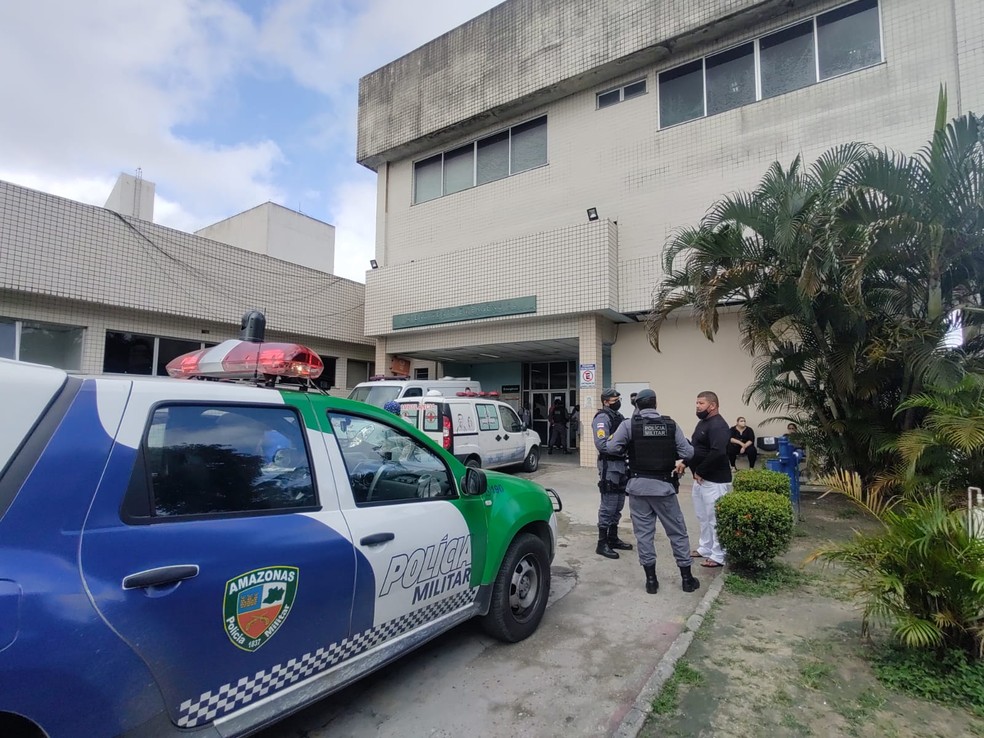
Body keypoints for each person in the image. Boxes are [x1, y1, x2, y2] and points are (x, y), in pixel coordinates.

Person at [606, 388, 700, 594]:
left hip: (638, 488)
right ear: (656, 404)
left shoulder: (628, 425)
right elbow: (688, 452)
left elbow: (611, 448)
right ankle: (686, 579)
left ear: (637, 406)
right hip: (664, 488)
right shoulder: (670, 425)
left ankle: (651, 581)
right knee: (677, 532)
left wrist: (627, 448)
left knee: (644, 535)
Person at [679, 391, 732, 568]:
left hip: (715, 481)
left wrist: (700, 470)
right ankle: (705, 547)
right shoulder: (703, 423)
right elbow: (696, 448)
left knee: (714, 518)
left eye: (701, 403)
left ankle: (719, 555)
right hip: (700, 480)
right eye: (696, 403)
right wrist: (685, 463)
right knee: (703, 516)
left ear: (712, 405)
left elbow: (718, 452)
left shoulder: (719, 426)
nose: (697, 406)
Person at [592, 390, 633, 559]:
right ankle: (602, 543)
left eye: (618, 399)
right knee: (608, 504)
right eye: (614, 400)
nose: (618, 402)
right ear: (605, 402)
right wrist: (621, 448)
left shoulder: (619, 416)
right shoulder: (602, 418)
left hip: (622, 465)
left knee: (618, 503)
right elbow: (602, 444)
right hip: (610, 465)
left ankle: (613, 537)